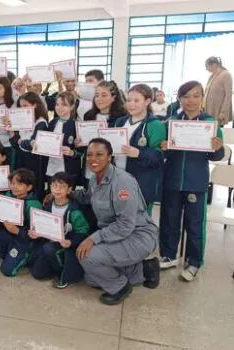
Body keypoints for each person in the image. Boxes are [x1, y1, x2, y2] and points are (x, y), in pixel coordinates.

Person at [73, 138, 159, 305]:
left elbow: (126, 225)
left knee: (87, 256)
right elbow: (86, 197)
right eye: (89, 155)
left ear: (110, 157)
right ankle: (144, 269)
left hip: (137, 235)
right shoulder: (94, 178)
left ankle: (120, 287)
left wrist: (93, 239)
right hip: (118, 234)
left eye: (99, 154)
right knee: (91, 278)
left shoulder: (122, 183)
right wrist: (66, 193)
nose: (93, 159)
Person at [159, 81, 224, 282]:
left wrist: (217, 147)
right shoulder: (171, 122)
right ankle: (169, 255)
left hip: (196, 182)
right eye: (186, 96)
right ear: (179, 99)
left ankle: (194, 261)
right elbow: (165, 151)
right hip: (172, 180)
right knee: (169, 219)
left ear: (202, 98)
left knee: (194, 224)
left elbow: (216, 157)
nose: (191, 101)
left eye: (196, 96)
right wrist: (163, 146)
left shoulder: (210, 124)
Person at [28, 172, 91, 289]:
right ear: (50, 187)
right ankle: (53, 262)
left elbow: (83, 232)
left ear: (69, 190)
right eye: (54, 185)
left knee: (48, 249)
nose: (57, 189)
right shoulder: (48, 205)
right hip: (51, 242)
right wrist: (37, 234)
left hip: (67, 246)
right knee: (37, 273)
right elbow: (43, 226)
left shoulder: (74, 211)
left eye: (62, 186)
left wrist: (70, 242)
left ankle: (62, 271)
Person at [0, 168, 42, 277]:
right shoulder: (8, 195)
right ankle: (10, 256)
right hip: (8, 234)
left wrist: (18, 231)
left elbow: (37, 233)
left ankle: (25, 257)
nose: (14, 187)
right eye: (13, 183)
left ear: (29, 187)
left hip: (23, 240)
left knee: (7, 271)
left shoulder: (34, 205)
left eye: (20, 184)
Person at [114, 84, 165, 214]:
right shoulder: (120, 122)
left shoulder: (155, 125)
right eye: (129, 100)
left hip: (141, 183)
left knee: (140, 225)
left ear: (147, 101)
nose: (131, 104)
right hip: (118, 180)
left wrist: (138, 153)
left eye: (136, 100)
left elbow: (158, 158)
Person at [10, 92, 49, 199]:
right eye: (21, 107)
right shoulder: (21, 120)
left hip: (34, 161)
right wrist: (11, 130)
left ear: (35, 105)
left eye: (26, 106)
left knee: (32, 188)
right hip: (21, 158)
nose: (23, 109)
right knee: (20, 187)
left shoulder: (41, 122)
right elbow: (15, 143)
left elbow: (32, 145)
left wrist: (20, 141)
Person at [204, 56, 233, 126]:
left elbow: (228, 95)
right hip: (209, 110)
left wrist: (223, 112)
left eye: (207, 67)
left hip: (218, 111)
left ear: (214, 65)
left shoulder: (226, 75)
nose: (207, 69)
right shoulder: (211, 76)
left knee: (217, 132)